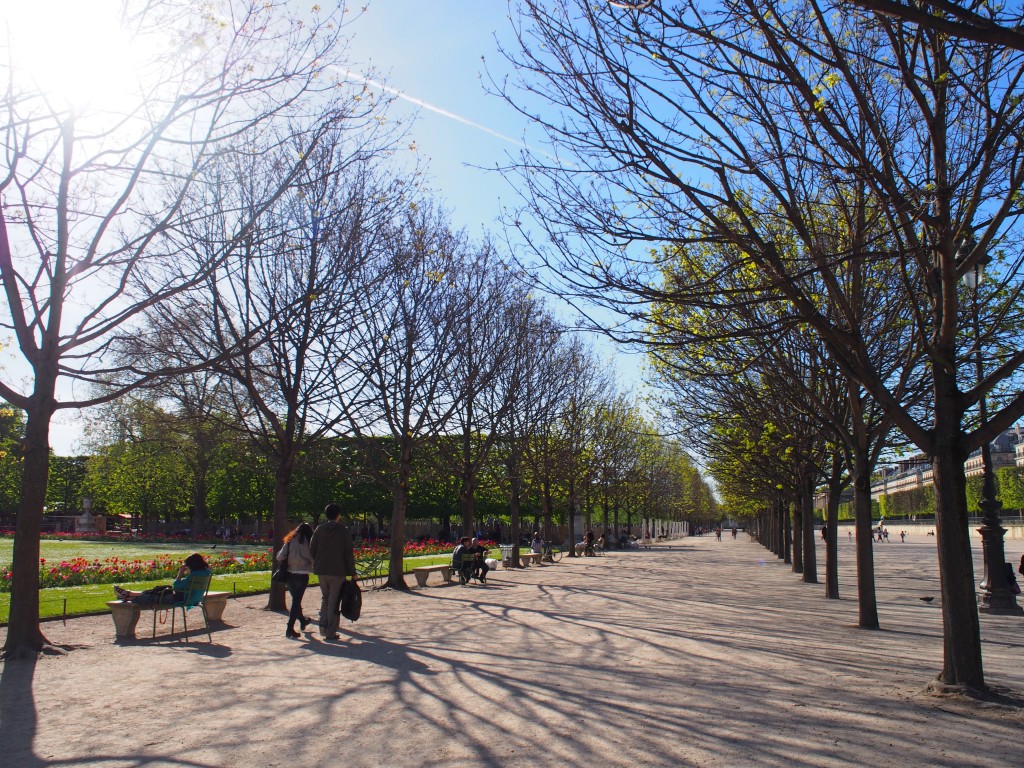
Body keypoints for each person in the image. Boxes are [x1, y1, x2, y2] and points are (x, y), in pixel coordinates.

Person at [309, 503, 356, 641]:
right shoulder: (343, 530)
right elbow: (348, 553)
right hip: (338, 571)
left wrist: (318, 562)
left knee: (325, 598)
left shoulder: (319, 529)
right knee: (334, 601)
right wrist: (353, 572)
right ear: (338, 515)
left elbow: (311, 550)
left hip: (322, 570)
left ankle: (323, 626)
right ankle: (330, 632)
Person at [114, 553, 211, 605]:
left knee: (153, 596)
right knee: (155, 593)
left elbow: (176, 585)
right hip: (195, 599)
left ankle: (126, 595)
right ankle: (127, 594)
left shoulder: (194, 575)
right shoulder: (205, 573)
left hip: (181, 599)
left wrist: (180, 573)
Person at [277, 522, 314, 639]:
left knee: (295, 601)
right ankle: (290, 628)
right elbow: (312, 559)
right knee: (296, 602)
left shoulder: (289, 541)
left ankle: (302, 621)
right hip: (302, 575)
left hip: (289, 574)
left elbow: (279, 557)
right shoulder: (308, 543)